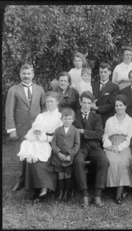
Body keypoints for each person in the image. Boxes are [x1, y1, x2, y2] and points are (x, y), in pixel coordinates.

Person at [5, 64, 45, 192]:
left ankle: (34, 181)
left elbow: (44, 107)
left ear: (33, 74)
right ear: (20, 75)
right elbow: (9, 111)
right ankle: (21, 180)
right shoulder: (13, 90)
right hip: (21, 128)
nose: (26, 76)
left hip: (36, 129)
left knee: (36, 154)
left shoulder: (39, 89)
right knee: (22, 155)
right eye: (24, 73)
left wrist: (42, 125)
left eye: (28, 73)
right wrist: (12, 129)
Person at [24, 91, 63, 203]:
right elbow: (34, 129)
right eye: (47, 102)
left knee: (41, 162)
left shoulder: (60, 116)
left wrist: (47, 139)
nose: (49, 104)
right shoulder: (41, 116)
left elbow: (59, 135)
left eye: (52, 101)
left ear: (57, 102)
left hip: (52, 143)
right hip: (39, 142)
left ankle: (45, 187)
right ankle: (36, 188)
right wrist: (36, 137)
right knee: (31, 159)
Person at [73, 91, 109, 208]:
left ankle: (97, 195)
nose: (86, 106)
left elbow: (98, 134)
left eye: (89, 103)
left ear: (92, 103)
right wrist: (89, 133)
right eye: (84, 102)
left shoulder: (97, 116)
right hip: (80, 146)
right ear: (80, 102)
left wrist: (83, 131)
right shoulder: (74, 116)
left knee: (104, 161)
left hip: (94, 146)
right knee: (78, 162)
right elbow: (73, 133)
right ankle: (84, 195)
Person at [102, 95, 132, 204]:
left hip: (124, 145)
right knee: (110, 161)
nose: (119, 107)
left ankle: (118, 193)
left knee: (123, 162)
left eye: (121, 105)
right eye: (117, 105)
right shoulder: (110, 120)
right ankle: (113, 187)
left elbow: (129, 138)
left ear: (125, 106)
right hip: (111, 144)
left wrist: (119, 147)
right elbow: (105, 135)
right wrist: (108, 145)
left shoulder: (130, 120)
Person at [51, 108, 80, 203]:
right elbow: (53, 143)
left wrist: (70, 155)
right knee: (60, 175)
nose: (67, 121)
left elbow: (77, 145)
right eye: (65, 118)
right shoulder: (57, 130)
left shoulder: (75, 131)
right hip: (58, 158)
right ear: (61, 119)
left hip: (68, 158)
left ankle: (67, 192)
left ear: (73, 119)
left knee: (67, 174)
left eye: (69, 119)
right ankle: (61, 192)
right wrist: (58, 153)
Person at [91, 63, 119, 128]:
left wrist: (97, 108)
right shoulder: (93, 85)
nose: (103, 74)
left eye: (105, 72)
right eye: (101, 72)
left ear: (110, 72)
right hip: (94, 117)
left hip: (107, 117)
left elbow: (112, 104)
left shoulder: (114, 87)